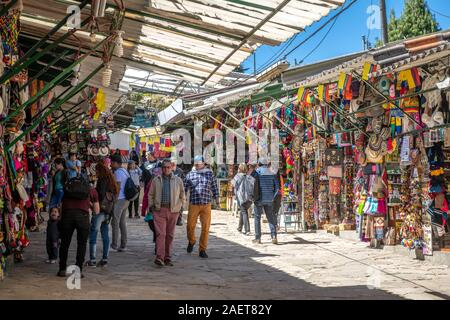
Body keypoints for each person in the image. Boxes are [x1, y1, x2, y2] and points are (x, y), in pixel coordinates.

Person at [58, 178, 100, 277]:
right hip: (83, 217)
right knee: (82, 244)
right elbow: (97, 211)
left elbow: (61, 205)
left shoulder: (67, 189)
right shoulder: (91, 190)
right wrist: (89, 206)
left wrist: (61, 218)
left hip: (67, 215)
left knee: (65, 243)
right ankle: (78, 270)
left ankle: (62, 269)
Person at [148, 159, 185, 266]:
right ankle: (159, 257)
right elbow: (150, 194)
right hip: (159, 211)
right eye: (164, 167)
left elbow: (182, 195)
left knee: (170, 234)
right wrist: (152, 206)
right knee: (161, 234)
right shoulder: (156, 180)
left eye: (168, 167)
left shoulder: (178, 180)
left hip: (173, 211)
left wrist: (180, 206)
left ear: (172, 167)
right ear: (161, 168)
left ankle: (168, 257)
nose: (166, 169)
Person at [184, 155, 219, 259]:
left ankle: (202, 249)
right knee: (190, 226)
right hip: (194, 204)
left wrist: (217, 200)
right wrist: (183, 197)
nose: (197, 165)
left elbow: (214, 187)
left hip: (206, 204)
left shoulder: (209, 174)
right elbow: (184, 188)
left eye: (199, 163)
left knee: (205, 227)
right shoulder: (190, 174)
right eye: (196, 163)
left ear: (204, 163)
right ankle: (192, 241)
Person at [87, 161, 119, 268]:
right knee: (105, 234)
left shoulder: (102, 180)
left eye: (96, 170)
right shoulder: (111, 180)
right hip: (108, 212)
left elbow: (100, 195)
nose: (96, 172)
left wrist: (93, 190)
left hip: (100, 210)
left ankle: (92, 259)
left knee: (94, 234)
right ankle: (105, 259)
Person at [253, 158, 279, 245]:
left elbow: (252, 185)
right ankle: (274, 236)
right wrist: (273, 196)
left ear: (259, 163)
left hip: (259, 198)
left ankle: (258, 238)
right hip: (269, 199)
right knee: (270, 218)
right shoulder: (272, 172)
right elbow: (277, 188)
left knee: (257, 218)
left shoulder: (257, 172)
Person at [110, 154, 130, 252]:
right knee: (122, 222)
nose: (111, 164)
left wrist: (114, 200)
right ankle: (123, 244)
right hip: (126, 199)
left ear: (116, 163)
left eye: (112, 162)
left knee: (115, 222)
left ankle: (114, 245)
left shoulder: (118, 172)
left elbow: (117, 188)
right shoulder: (125, 171)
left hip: (120, 199)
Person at [231, 163, 254, 235]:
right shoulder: (250, 177)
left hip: (241, 197)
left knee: (244, 212)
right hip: (249, 198)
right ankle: (239, 227)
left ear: (240, 169)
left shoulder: (237, 176)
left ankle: (247, 230)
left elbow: (233, 184)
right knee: (243, 211)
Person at [170, 157, 185, 226]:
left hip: (178, 191)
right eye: (171, 163)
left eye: (174, 163)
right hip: (170, 191)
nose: (173, 164)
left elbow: (183, 181)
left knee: (180, 206)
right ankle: (170, 220)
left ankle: (179, 220)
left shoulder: (180, 171)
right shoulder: (167, 170)